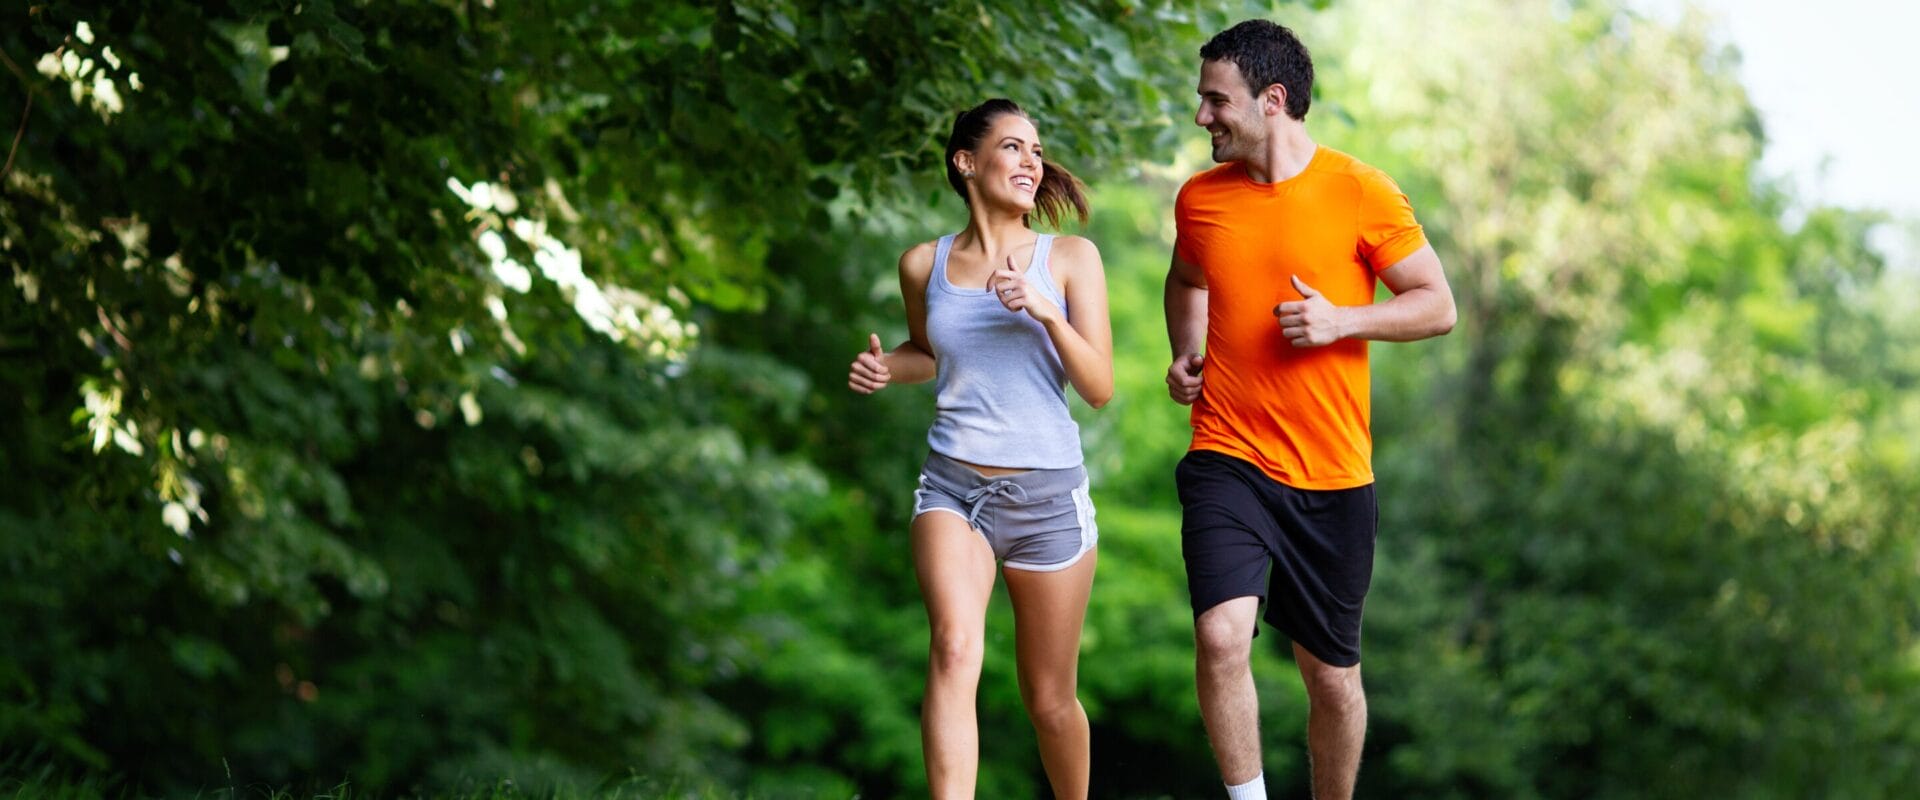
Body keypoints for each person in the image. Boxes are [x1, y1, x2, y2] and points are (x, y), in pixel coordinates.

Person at [1163, 19, 1458, 800]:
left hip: (1331, 475)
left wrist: (1343, 320)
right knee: (1221, 635)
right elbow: (1186, 280)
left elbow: (1437, 305)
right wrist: (1185, 353)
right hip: (1227, 453)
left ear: (1273, 99)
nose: (1202, 118)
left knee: (1331, 682)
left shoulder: (1359, 190)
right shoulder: (1199, 199)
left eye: (1214, 100)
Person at [848, 98, 1113, 800]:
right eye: (1013, 147)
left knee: (1050, 701)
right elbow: (929, 353)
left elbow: (1099, 387)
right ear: (967, 162)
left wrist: (1046, 310)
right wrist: (887, 368)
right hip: (954, 487)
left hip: (1048, 498)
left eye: (1036, 150)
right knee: (955, 647)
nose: (1032, 162)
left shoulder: (1072, 259)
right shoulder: (922, 264)